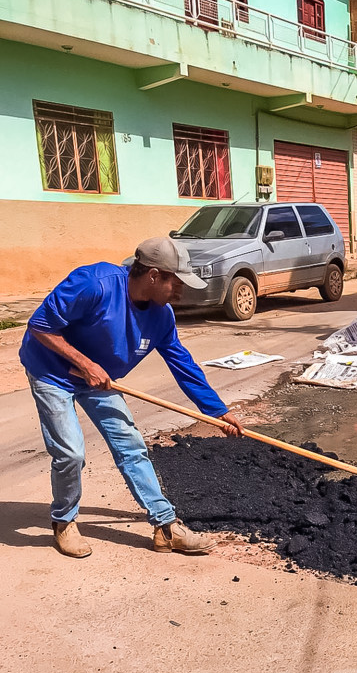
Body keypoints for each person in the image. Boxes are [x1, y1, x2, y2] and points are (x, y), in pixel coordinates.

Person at [19, 236, 245, 559]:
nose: (181, 292)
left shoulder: (162, 316)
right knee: (70, 451)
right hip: (51, 371)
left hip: (99, 381)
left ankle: (165, 528)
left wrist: (218, 412)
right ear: (154, 276)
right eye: (176, 283)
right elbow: (39, 325)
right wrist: (84, 364)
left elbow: (184, 367)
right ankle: (64, 521)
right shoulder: (95, 284)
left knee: (130, 443)